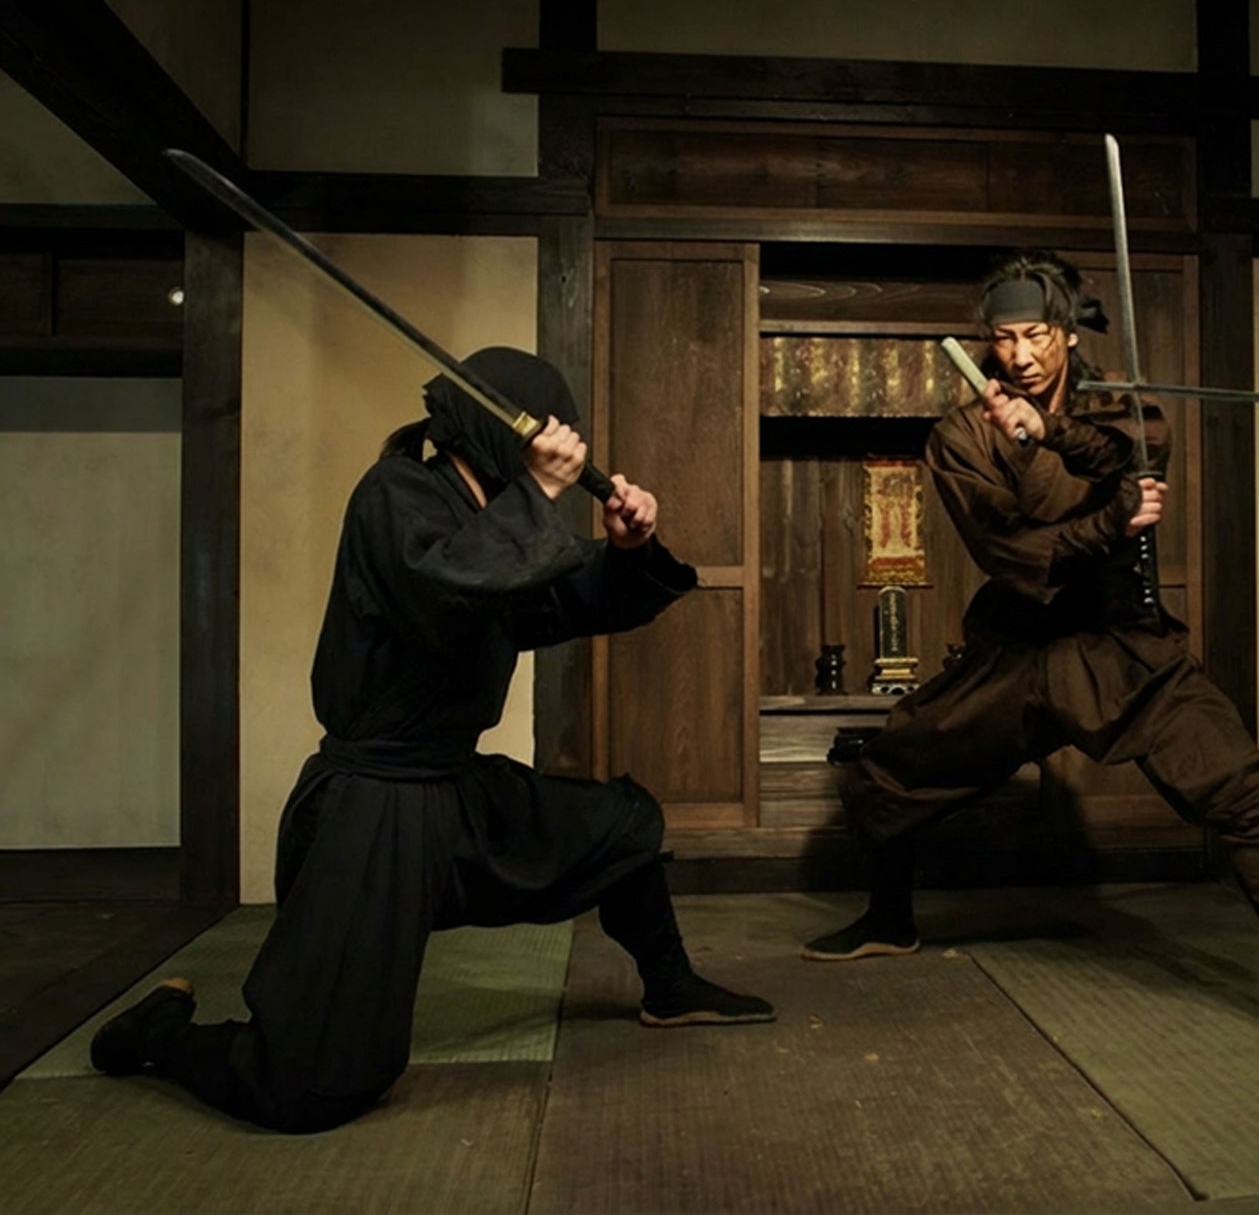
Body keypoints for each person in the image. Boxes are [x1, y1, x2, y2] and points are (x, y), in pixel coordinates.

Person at [90, 348, 774, 1134]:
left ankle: (670, 985)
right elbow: (451, 588)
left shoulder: (492, 521)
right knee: (308, 1084)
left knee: (623, 827)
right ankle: (160, 1032)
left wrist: (625, 550)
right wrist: (541, 492)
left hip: (453, 787)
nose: (563, 446)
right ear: (498, 429)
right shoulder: (396, 493)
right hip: (374, 802)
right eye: (549, 432)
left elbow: (561, 593)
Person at [800, 252, 1259, 1070]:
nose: (1020, 355)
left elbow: (1134, 450)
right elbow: (1010, 550)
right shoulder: (959, 435)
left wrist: (1052, 432)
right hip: (1019, 640)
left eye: (1037, 334)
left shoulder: (1122, 408)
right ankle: (889, 917)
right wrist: (1105, 519)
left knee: (1240, 788)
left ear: (1068, 333)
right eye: (1004, 338)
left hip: (1119, 639)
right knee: (895, 764)